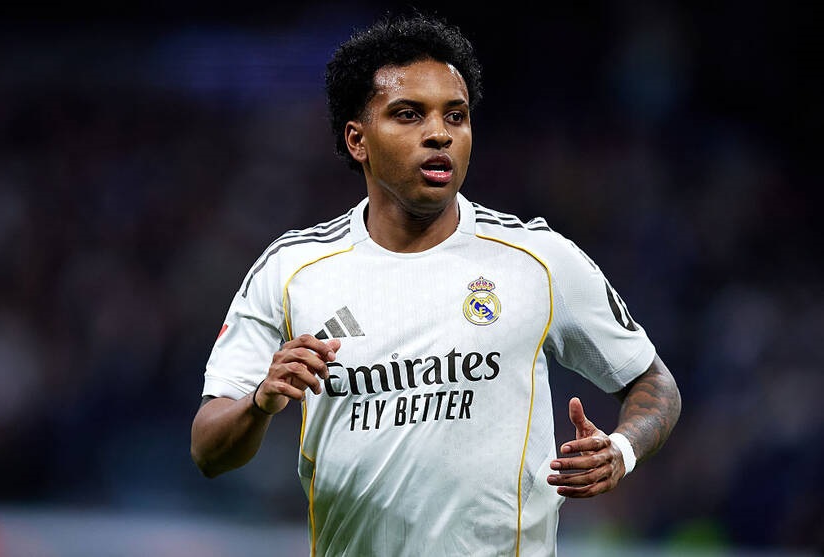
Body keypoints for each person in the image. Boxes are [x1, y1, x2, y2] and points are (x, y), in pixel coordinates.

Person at [190, 10, 681, 556]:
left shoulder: (539, 259)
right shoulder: (292, 269)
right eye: (408, 114)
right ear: (357, 139)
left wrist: (621, 451)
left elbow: (653, 382)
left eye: (456, 116)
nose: (439, 133)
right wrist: (259, 402)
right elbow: (208, 450)